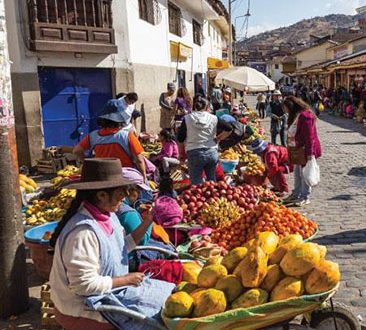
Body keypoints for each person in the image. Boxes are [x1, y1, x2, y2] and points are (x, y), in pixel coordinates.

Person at [49, 159, 174, 330]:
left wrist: (148, 220)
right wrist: (125, 280)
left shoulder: (108, 215)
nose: (123, 200)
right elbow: (83, 286)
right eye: (120, 195)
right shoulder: (83, 233)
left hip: (109, 296)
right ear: (101, 195)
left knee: (167, 299)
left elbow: (121, 248)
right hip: (81, 309)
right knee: (155, 321)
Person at [73, 100, 147, 176]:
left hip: (102, 176)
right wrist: (144, 176)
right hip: (124, 176)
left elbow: (76, 151)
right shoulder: (127, 136)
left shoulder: (92, 136)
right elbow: (139, 160)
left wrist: (87, 163)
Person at [177, 96, 230, 185]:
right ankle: (213, 197)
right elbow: (229, 128)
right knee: (212, 183)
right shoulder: (213, 118)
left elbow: (180, 139)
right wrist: (218, 138)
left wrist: (181, 154)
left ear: (194, 106)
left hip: (194, 154)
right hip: (211, 152)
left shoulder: (187, 118)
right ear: (206, 106)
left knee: (196, 185)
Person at [283, 96, 322, 207]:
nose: (285, 111)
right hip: (298, 150)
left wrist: (310, 154)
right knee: (297, 173)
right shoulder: (297, 115)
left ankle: (305, 196)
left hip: (306, 150)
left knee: (304, 174)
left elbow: (309, 137)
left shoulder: (306, 116)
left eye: (286, 108)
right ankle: (296, 193)